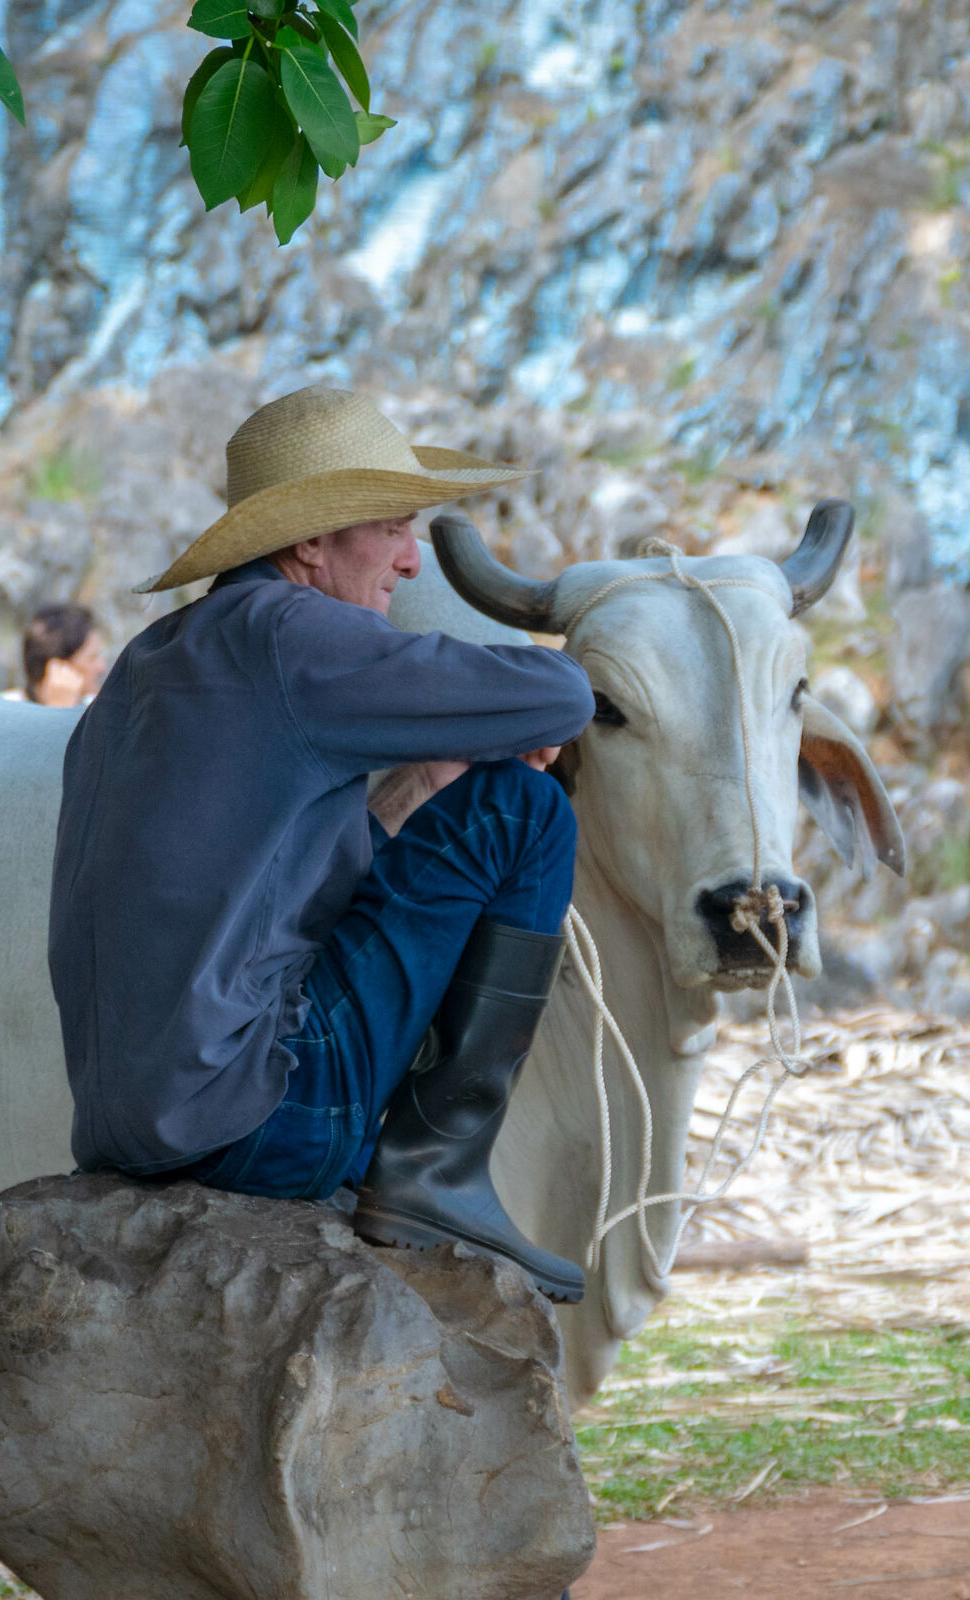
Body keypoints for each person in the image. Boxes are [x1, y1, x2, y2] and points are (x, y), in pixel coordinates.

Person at [47, 386, 595, 1301]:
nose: (412, 563)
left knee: (463, 796)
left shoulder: (157, 659)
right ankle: (437, 1174)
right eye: (393, 528)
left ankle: (429, 1174)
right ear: (309, 541)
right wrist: (497, 735)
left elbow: (265, 883)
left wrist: (421, 781)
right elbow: (562, 697)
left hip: (132, 1131)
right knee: (521, 812)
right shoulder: (296, 633)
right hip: (265, 1125)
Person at [4, 603, 108, 707]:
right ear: (58, 667)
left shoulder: (96, 710)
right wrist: (59, 709)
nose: (102, 667)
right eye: (92, 658)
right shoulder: (5, 709)